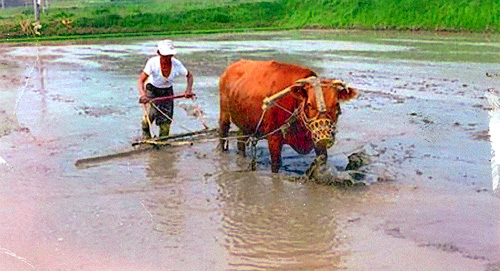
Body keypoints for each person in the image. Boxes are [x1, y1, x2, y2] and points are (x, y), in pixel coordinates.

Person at [138, 40, 194, 139]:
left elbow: (189, 76)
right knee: (150, 115)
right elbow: (141, 80)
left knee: (166, 120)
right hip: (152, 89)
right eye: (165, 56)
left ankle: (162, 141)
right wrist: (143, 95)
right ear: (159, 53)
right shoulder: (152, 63)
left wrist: (188, 91)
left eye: (169, 56)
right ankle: (146, 135)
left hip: (167, 91)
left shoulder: (176, 64)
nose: (167, 58)